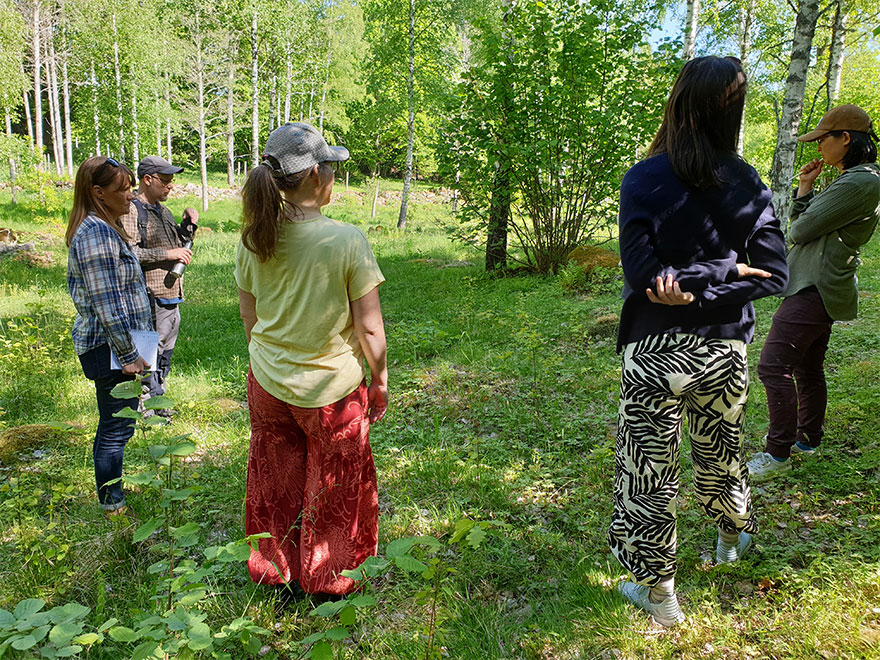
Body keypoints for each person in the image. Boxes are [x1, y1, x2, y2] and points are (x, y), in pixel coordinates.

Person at [609, 56, 789, 626]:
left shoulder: (643, 178)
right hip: (723, 350)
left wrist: (685, 281)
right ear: (733, 110)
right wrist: (727, 274)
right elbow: (774, 275)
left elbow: (643, 274)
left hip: (654, 350)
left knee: (647, 470)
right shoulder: (748, 182)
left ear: (678, 102)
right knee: (721, 453)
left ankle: (660, 597)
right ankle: (730, 541)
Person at [235, 122, 388, 598]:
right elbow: (368, 328)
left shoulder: (253, 238)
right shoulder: (345, 240)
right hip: (332, 391)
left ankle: (278, 576)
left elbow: (250, 317)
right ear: (317, 175)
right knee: (336, 486)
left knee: (275, 482)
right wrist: (379, 380)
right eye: (333, 169)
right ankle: (328, 582)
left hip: (268, 382)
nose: (335, 177)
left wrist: (269, 364)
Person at [748, 105, 880, 481]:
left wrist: (804, 207)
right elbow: (803, 223)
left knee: (773, 366)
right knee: (807, 368)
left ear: (846, 139)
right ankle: (808, 438)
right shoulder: (853, 178)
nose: (819, 146)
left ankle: (777, 454)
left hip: (814, 286)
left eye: (824, 139)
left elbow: (799, 231)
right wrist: (805, 189)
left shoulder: (860, 182)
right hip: (819, 283)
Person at [66, 156, 153, 516]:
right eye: (124, 189)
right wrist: (130, 354)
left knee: (119, 425)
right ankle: (112, 504)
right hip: (111, 348)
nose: (131, 196)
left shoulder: (105, 227)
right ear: (98, 193)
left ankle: (112, 493)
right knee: (115, 427)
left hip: (119, 345)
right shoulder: (96, 233)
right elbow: (106, 303)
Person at [120, 156, 198, 413]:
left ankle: (159, 399)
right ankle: (147, 406)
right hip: (149, 295)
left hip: (171, 292)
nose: (170, 186)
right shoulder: (132, 209)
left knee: (165, 350)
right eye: (165, 181)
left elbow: (180, 246)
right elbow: (129, 253)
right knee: (149, 350)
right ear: (147, 179)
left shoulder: (162, 210)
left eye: (171, 181)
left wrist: (188, 226)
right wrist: (168, 255)